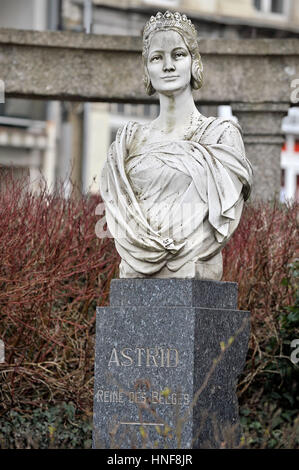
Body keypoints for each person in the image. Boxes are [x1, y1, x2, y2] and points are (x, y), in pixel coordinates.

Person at [100, 11, 253, 280]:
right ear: (146, 68)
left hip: (194, 263)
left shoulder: (220, 137)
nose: (168, 65)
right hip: (135, 267)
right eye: (157, 57)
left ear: (195, 63)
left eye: (178, 55)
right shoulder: (127, 141)